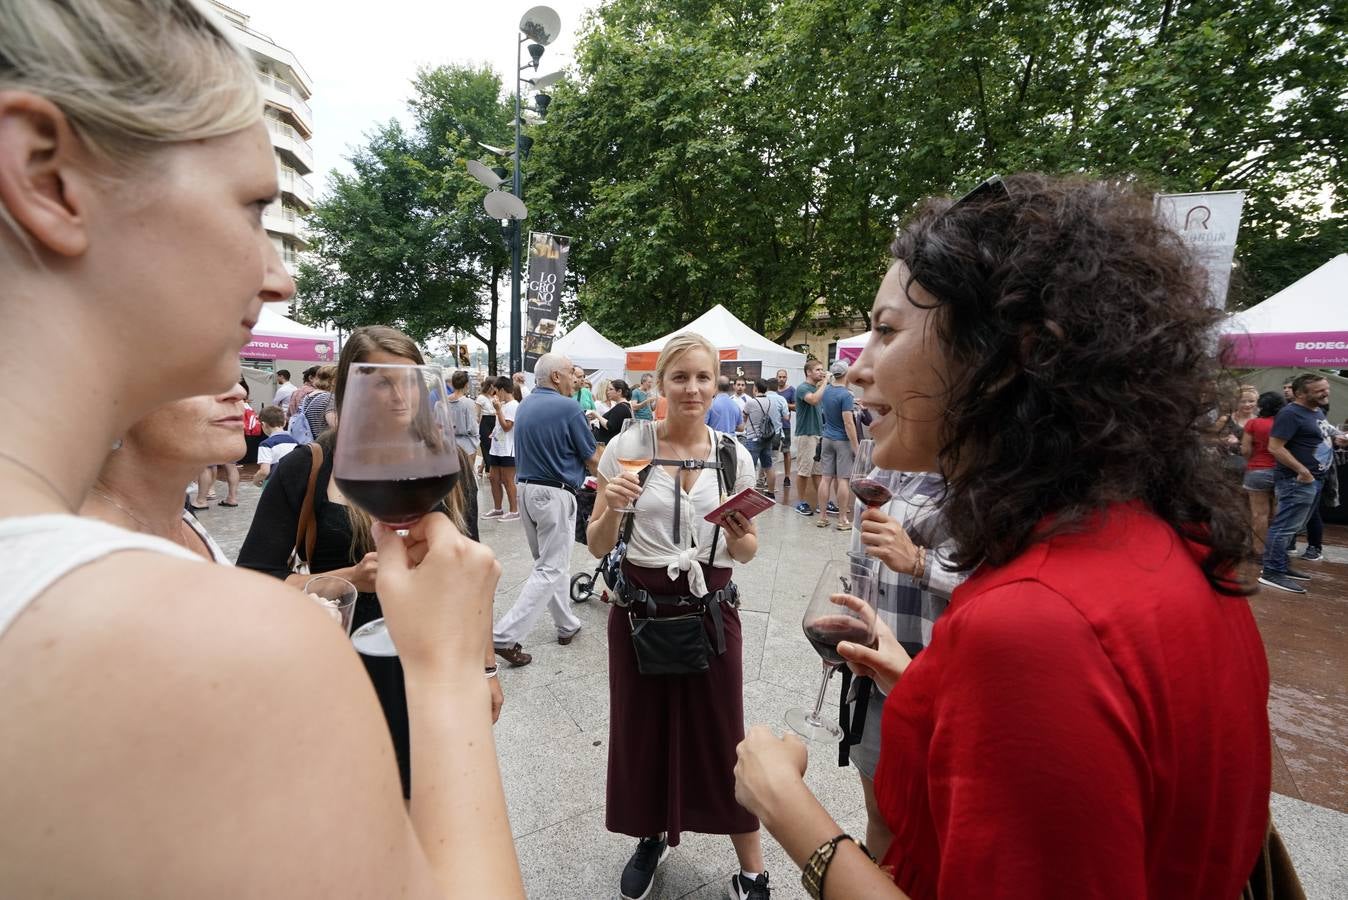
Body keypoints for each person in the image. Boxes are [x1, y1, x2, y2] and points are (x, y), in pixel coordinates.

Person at [0, 2, 522, 895]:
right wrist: (446, 678)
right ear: (48, 177)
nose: (278, 275)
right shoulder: (219, 645)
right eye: (252, 208)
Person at [732, 174, 1269, 900]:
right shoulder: (1170, 540)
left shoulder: (1036, 625)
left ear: (1006, 355)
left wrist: (785, 807)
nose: (859, 369)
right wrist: (934, 688)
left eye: (887, 331)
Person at [238, 325, 499, 796]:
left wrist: (487, 670)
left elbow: (473, 579)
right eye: (381, 382)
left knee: (442, 791)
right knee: (366, 793)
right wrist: (350, 579)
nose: (399, 396)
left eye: (410, 381)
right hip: (348, 667)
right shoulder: (310, 465)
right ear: (349, 389)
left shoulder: (449, 463)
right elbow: (253, 581)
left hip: (442, 659)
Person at [586, 333, 768, 900]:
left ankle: (753, 869)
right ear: (660, 383)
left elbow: (746, 552)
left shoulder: (734, 456)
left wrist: (740, 534)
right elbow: (596, 545)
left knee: (723, 735)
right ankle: (651, 834)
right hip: (640, 614)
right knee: (643, 731)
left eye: (703, 377)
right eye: (680, 377)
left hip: (711, 612)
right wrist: (613, 509)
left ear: (717, 384)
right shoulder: (627, 446)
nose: (693, 388)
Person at [845, 469, 964, 857]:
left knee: (927, 827)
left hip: (931, 689)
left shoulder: (977, 476)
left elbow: (1004, 586)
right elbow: (863, 562)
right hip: (872, 675)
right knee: (881, 810)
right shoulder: (883, 470)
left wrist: (918, 561)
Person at [492, 353, 598, 668]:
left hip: (526, 490)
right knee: (551, 567)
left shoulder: (525, 406)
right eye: (571, 373)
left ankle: (566, 624)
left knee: (550, 564)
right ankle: (503, 636)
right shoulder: (568, 407)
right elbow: (592, 457)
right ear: (555, 376)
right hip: (554, 494)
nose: (575, 379)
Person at [83, 383, 252, 565]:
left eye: (234, 377)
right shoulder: (87, 550)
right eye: (200, 375)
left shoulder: (176, 516)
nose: (239, 392)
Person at [1258, 373, 1340, 593]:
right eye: (1319, 390)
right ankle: (1272, 572)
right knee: (1284, 527)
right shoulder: (1290, 413)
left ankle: (1280, 566)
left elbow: (1325, 432)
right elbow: (1275, 447)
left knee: (1292, 527)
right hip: (1297, 481)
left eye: (1326, 388)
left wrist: (1339, 437)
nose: (1326, 393)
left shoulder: (1316, 410)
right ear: (1301, 394)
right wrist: (1302, 471)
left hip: (1315, 479)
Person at [815, 360, 859, 531]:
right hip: (842, 441)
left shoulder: (826, 390)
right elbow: (848, 423)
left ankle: (822, 517)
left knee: (826, 478)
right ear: (846, 373)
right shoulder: (846, 395)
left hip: (827, 438)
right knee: (843, 480)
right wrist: (856, 447)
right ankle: (842, 519)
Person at [1241, 391, 1284, 553]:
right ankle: (1276, 550)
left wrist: (1251, 459)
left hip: (1257, 470)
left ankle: (1258, 550)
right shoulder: (1285, 423)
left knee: (1259, 514)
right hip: (1282, 470)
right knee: (1279, 513)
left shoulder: (1253, 423)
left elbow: (1245, 450)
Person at [792, 360, 827, 517]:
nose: (821, 372)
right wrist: (825, 382)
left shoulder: (815, 389)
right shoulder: (803, 388)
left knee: (818, 472)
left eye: (822, 369)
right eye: (818, 369)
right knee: (803, 471)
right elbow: (813, 400)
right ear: (808, 372)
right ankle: (800, 502)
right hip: (806, 435)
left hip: (817, 435)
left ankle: (822, 502)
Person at [485, 375, 521, 521]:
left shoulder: (513, 405)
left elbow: (507, 427)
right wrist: (494, 433)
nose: (495, 394)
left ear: (502, 390)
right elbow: (500, 427)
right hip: (497, 447)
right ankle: (497, 508)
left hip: (508, 449)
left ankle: (514, 510)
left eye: (496, 391)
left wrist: (498, 410)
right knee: (493, 478)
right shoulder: (504, 405)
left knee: (508, 480)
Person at [743, 378, 786, 499]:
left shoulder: (751, 402)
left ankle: (748, 494)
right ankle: (771, 492)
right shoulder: (771, 401)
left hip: (753, 438)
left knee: (750, 467)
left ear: (755, 388)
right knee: (768, 466)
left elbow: (744, 417)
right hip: (767, 438)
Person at [252, 405, 298, 486]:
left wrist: (256, 480)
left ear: (263, 424)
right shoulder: (295, 442)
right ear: (284, 422)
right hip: (293, 482)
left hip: (273, 484)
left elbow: (264, 471)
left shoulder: (266, 444)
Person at [446, 369, 481, 469]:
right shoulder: (469, 403)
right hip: (466, 445)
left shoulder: (442, 402)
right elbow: (473, 429)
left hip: (448, 444)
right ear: (466, 385)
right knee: (467, 474)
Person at [591, 378, 635, 445]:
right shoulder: (624, 406)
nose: (608, 392)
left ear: (619, 391)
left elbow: (610, 426)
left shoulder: (621, 407)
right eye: (607, 389)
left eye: (611, 389)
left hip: (610, 445)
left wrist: (596, 414)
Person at [299, 363, 337, 439]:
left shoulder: (308, 396)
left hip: (311, 442)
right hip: (324, 443)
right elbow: (335, 425)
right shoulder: (330, 398)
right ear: (334, 381)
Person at [775, 368, 795, 485]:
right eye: (780, 377)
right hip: (772, 426)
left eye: (784, 377)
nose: (782, 379)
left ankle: (787, 477)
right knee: (771, 452)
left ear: (787, 378)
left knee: (786, 451)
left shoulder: (791, 390)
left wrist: (784, 404)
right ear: (776, 377)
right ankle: (768, 477)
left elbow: (796, 407)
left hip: (785, 425)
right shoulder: (772, 390)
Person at [476, 377, 497, 477]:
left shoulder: (495, 396)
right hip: (485, 422)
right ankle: (489, 470)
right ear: (491, 385)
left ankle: (485, 468)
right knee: (486, 446)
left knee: (494, 446)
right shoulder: (481, 398)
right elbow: (477, 414)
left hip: (496, 422)